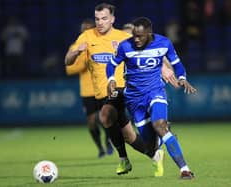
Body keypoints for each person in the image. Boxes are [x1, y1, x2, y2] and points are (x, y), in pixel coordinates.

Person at [65, 3, 168, 176]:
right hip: (100, 94)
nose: (100, 22)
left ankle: (123, 160)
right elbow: (67, 62)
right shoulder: (86, 37)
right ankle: (155, 155)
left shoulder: (122, 38)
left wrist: (164, 67)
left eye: (104, 18)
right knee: (128, 136)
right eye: (97, 19)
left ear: (113, 19)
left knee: (105, 116)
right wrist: (75, 53)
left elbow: (151, 49)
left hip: (120, 89)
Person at [106, 17, 197, 179]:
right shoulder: (125, 46)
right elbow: (111, 64)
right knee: (150, 146)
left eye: (140, 36)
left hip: (155, 91)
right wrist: (111, 79)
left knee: (159, 125)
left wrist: (182, 77)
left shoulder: (164, 43)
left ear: (149, 33)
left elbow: (177, 63)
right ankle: (163, 140)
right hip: (134, 99)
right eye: (134, 35)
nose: (136, 39)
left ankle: (185, 169)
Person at [65, 18, 113, 158]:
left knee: (106, 118)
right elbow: (69, 69)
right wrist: (84, 62)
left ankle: (109, 141)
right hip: (87, 91)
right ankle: (100, 148)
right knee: (92, 121)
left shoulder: (100, 44)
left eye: (88, 29)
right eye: (83, 29)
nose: (85, 31)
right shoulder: (75, 47)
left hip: (102, 87)